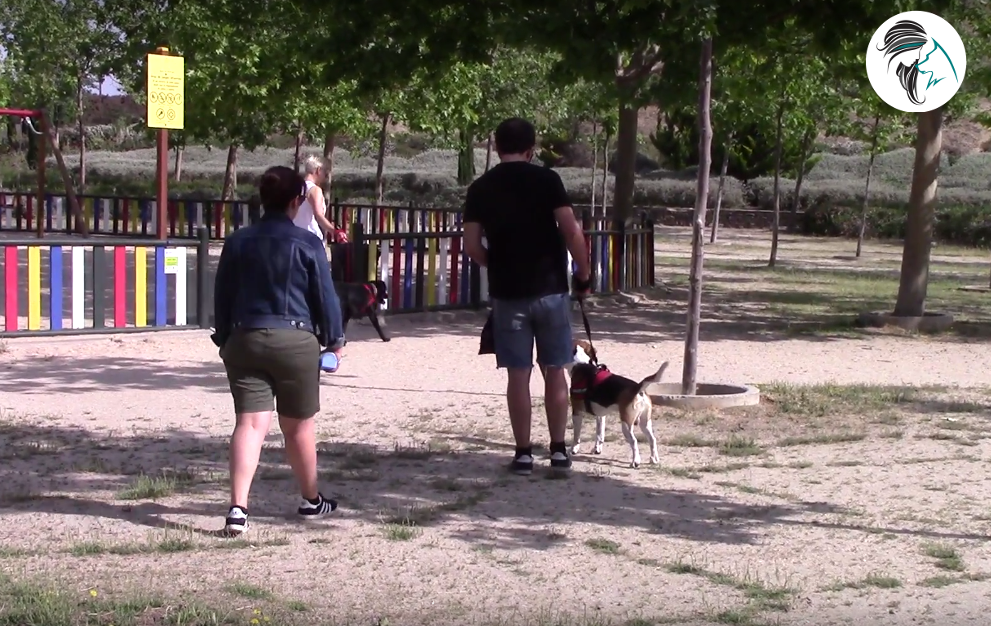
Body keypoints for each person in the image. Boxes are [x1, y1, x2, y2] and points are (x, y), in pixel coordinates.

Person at [212, 165, 346, 536]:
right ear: (296, 201)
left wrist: (224, 336)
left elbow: (222, 293)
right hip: (295, 339)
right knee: (298, 426)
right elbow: (325, 296)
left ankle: (238, 509)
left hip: (245, 337)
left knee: (250, 424)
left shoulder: (238, 241)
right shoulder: (307, 243)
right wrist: (334, 339)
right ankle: (310, 499)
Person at [462, 117, 592, 476]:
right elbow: (571, 230)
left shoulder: (480, 188)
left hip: (508, 293)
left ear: (496, 147)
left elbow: (472, 245)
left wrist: (496, 262)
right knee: (555, 370)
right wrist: (583, 272)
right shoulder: (548, 180)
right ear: (531, 149)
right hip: (550, 289)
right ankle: (559, 449)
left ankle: (522, 453)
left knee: (517, 375)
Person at [294, 155, 336, 247]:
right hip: (311, 239)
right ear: (318, 170)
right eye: (325, 173)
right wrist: (334, 231)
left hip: (294, 238)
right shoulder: (315, 190)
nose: (325, 177)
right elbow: (319, 216)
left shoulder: (295, 187)